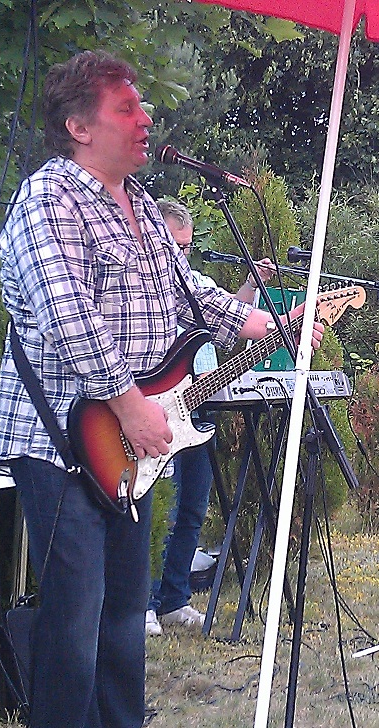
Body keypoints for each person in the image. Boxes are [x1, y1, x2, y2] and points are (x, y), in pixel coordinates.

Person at [0, 49, 323, 728]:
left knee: (123, 616)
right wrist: (130, 404)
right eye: (126, 108)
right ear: (79, 127)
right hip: (62, 442)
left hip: (131, 443)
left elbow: (186, 291)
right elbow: (67, 317)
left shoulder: (140, 202)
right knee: (74, 622)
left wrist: (266, 323)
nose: (145, 120)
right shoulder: (48, 200)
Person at [145, 199, 274, 636]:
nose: (181, 254)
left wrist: (254, 288)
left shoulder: (193, 281)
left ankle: (174, 599)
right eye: (173, 244)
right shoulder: (142, 284)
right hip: (155, 408)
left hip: (199, 403)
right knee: (157, 508)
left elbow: (228, 314)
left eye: (186, 246)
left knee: (192, 508)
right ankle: (144, 603)